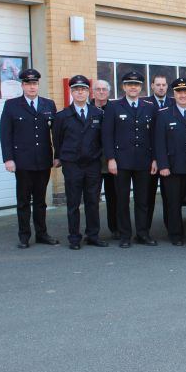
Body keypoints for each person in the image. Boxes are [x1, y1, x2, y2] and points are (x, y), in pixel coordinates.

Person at [0, 68, 60, 249]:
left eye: (34, 83)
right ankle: (24, 236)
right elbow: (5, 134)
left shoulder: (48, 104)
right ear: (22, 85)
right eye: (28, 83)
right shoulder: (12, 105)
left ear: (38, 85)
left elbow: (55, 133)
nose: (32, 87)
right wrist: (8, 159)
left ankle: (42, 234)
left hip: (43, 160)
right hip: (23, 161)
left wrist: (57, 156)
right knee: (24, 201)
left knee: (41, 201)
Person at [102, 71, 158, 248]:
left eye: (137, 85)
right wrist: (110, 159)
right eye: (129, 84)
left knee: (143, 200)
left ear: (141, 87)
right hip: (121, 161)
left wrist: (155, 159)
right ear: (123, 87)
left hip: (144, 161)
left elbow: (155, 136)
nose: (133, 87)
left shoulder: (149, 107)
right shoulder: (113, 106)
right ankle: (125, 235)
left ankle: (142, 233)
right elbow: (107, 135)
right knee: (122, 200)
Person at [52, 75, 107, 250]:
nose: (80, 93)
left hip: (92, 164)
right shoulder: (62, 116)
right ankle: (74, 237)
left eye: (83, 89)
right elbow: (57, 139)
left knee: (92, 201)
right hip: (72, 164)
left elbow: (102, 140)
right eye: (76, 90)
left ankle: (93, 235)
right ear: (72, 92)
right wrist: (60, 156)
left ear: (88, 91)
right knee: (73, 203)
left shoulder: (98, 114)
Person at [154, 78, 186, 246]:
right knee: (173, 203)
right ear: (173, 94)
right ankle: (176, 235)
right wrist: (163, 165)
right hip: (173, 168)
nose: (183, 95)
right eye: (179, 92)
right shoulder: (164, 114)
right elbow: (159, 142)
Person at [145, 74, 173, 234]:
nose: (161, 87)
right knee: (148, 197)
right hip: (149, 158)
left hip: (167, 159)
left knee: (169, 196)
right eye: (158, 84)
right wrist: (154, 158)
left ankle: (171, 228)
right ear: (152, 86)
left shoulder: (173, 103)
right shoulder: (145, 104)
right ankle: (145, 230)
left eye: (164, 84)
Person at [92, 79, 119, 240]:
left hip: (111, 161)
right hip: (92, 162)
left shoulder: (115, 109)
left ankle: (115, 228)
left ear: (109, 92)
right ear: (93, 92)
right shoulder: (87, 109)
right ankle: (93, 231)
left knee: (114, 197)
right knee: (92, 199)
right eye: (98, 89)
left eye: (104, 89)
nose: (101, 92)